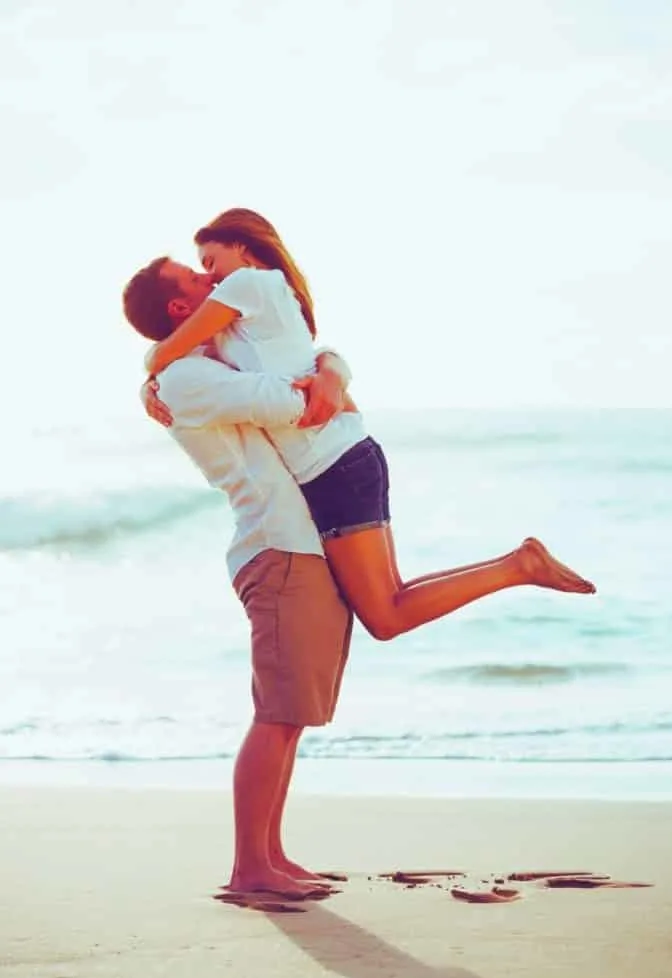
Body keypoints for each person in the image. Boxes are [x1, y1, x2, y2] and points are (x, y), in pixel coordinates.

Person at [140, 209, 597, 642]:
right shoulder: (238, 318)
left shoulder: (250, 285)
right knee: (391, 597)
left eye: (210, 262)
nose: (211, 277)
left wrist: (153, 376)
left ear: (242, 249)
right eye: (200, 271)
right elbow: (178, 355)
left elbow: (166, 353)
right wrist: (152, 384)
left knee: (385, 617)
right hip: (339, 460)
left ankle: (518, 567)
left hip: (334, 464)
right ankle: (518, 564)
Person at [123, 259, 353, 901]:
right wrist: (323, 378)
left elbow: (305, 365)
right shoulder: (189, 376)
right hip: (275, 548)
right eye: (197, 282)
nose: (212, 284)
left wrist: (330, 363)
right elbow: (291, 402)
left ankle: (271, 855)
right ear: (178, 310)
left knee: (289, 717)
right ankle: (250, 867)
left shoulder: (198, 361)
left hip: (293, 545)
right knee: (276, 715)